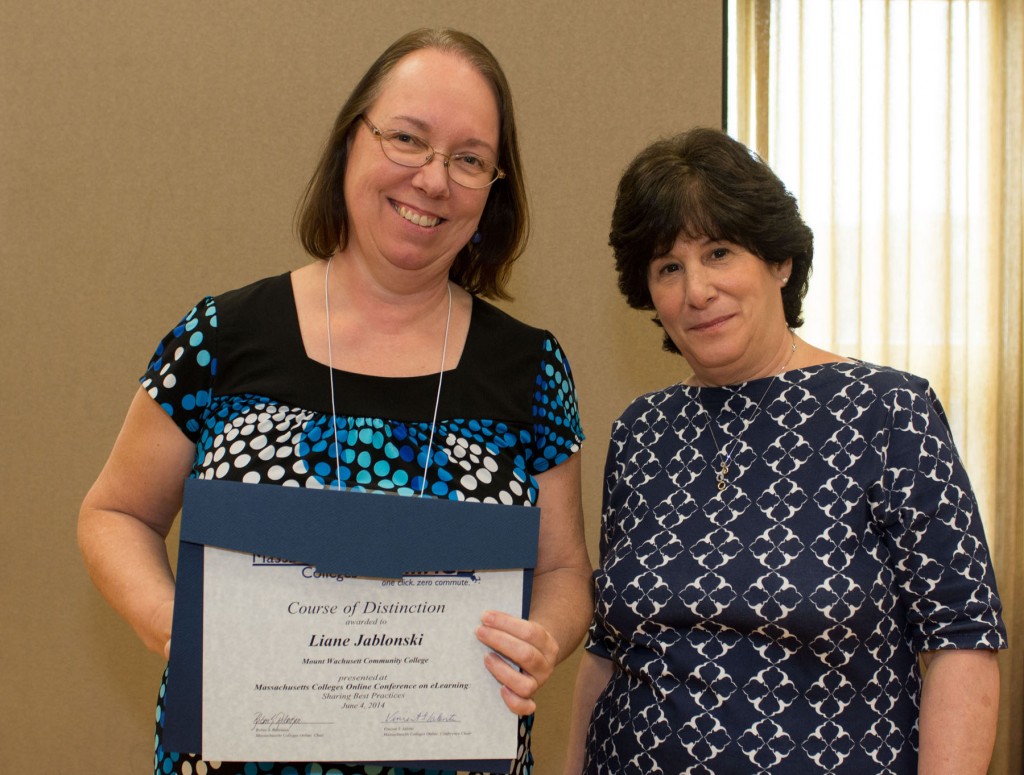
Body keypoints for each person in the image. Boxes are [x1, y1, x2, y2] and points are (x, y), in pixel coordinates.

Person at [78, 28, 592, 775]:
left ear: (493, 189)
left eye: (469, 159)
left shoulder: (532, 367)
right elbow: (114, 512)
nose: (433, 179)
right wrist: (175, 624)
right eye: (408, 139)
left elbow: (565, 569)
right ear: (352, 140)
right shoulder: (223, 336)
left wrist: (542, 636)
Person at [564, 128, 1006, 774]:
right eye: (668, 267)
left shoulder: (887, 411)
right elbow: (608, 647)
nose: (696, 291)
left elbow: (962, 639)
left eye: (719, 252)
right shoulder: (641, 430)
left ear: (779, 260)